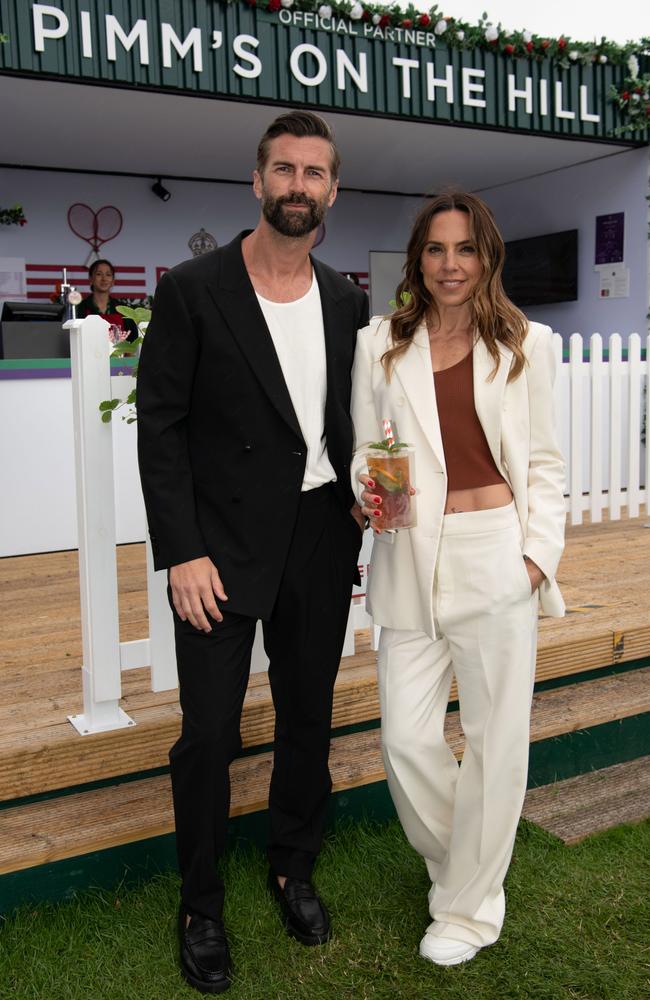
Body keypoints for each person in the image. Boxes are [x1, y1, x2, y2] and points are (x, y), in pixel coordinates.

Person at [137, 110, 368, 994]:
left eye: (314, 172)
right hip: (220, 549)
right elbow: (161, 425)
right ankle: (200, 905)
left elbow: (350, 423)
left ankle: (292, 865)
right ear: (257, 182)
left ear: (333, 190)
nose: (298, 186)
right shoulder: (195, 289)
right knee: (208, 736)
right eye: (284, 169)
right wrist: (181, 551)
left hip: (319, 534)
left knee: (309, 717)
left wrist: (367, 493)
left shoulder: (347, 300)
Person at [351, 191, 565, 967]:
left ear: (488, 257)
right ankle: (468, 869)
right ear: (418, 259)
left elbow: (543, 461)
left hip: (496, 551)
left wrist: (535, 557)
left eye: (465, 249)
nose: (450, 265)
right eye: (437, 250)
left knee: (495, 740)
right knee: (406, 739)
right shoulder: (378, 342)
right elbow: (363, 447)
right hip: (408, 552)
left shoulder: (527, 344)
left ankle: (470, 910)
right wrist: (366, 487)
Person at [76, 259, 137, 339]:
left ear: (113, 281)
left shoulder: (123, 310)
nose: (104, 279)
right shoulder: (81, 308)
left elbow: (132, 343)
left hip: (119, 352)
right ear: (91, 279)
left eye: (108, 275)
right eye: (99, 274)